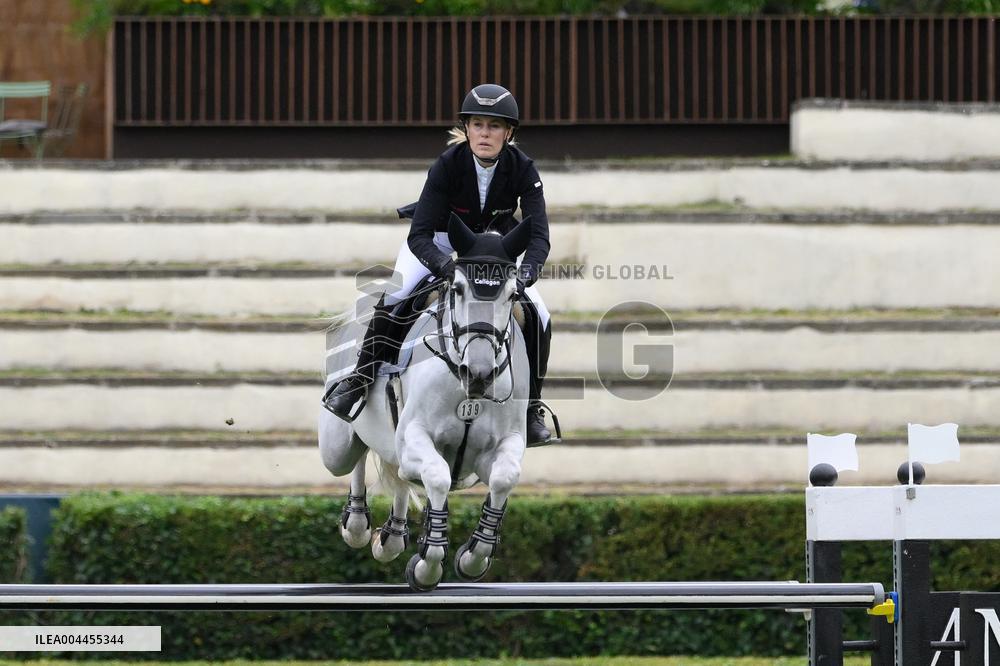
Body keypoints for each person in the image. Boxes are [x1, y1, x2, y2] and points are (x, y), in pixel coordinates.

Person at [323, 83, 554, 446]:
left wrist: (526, 275)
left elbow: (539, 237)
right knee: (396, 296)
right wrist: (446, 268)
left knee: (540, 314)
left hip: (495, 256)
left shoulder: (524, 169)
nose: (485, 134)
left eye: (494, 126)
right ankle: (359, 379)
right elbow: (419, 236)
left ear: (509, 133)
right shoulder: (447, 166)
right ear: (466, 129)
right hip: (441, 244)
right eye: (477, 124)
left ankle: (532, 408)